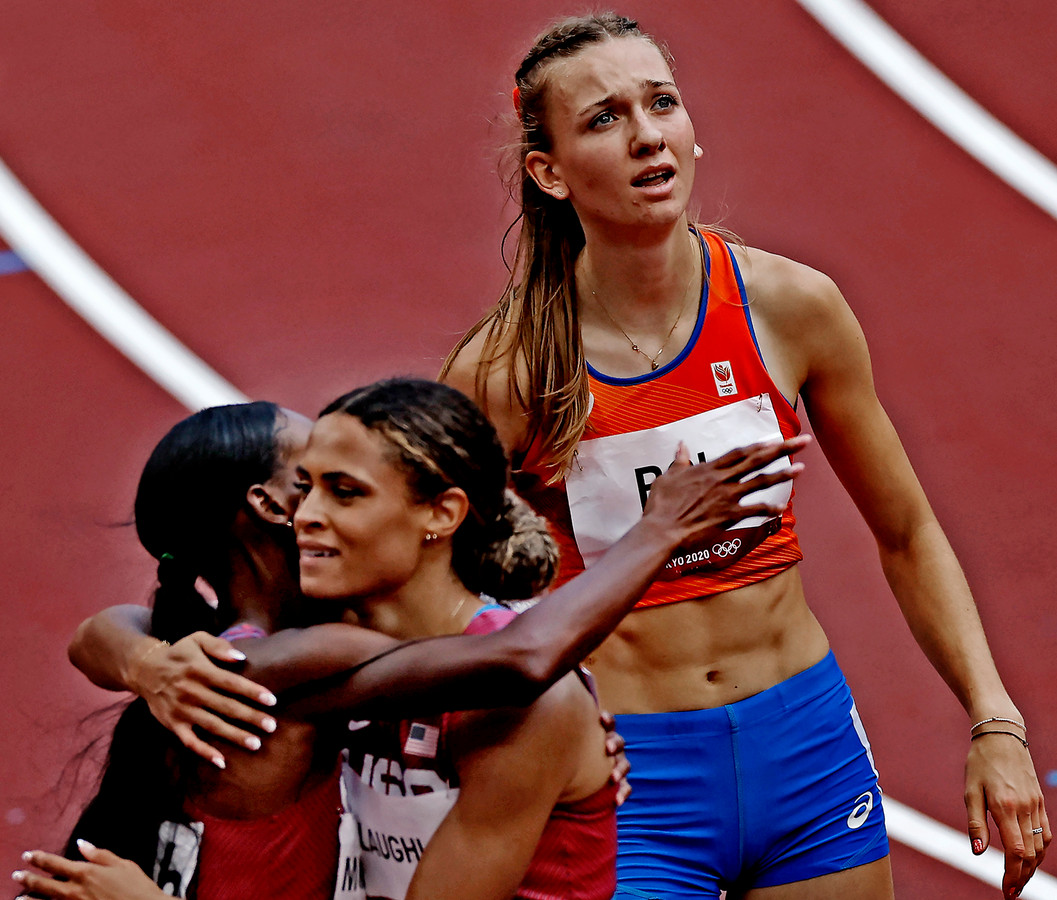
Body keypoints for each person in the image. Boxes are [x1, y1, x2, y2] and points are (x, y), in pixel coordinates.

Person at [440, 12, 1049, 900]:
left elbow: (907, 530)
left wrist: (995, 722)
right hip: (628, 774)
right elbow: (428, 576)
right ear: (549, 171)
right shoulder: (508, 372)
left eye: (662, 104)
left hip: (802, 750)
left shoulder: (789, 306)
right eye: (604, 119)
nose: (648, 135)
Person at [14, 382, 806, 900]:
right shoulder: (277, 666)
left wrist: (138, 658)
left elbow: (525, 667)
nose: (316, 511)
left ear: (440, 514)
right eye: (310, 484)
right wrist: (658, 530)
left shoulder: (256, 653)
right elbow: (519, 660)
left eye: (345, 488)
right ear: (268, 507)